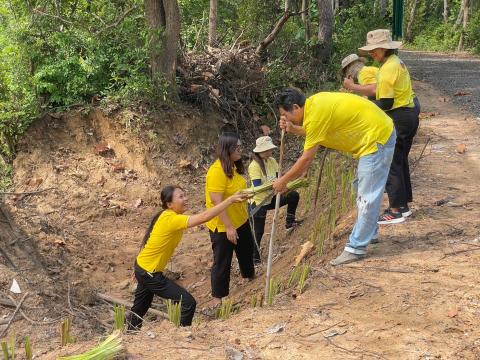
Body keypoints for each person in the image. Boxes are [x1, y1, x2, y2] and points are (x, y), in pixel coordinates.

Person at [272, 88, 396, 266]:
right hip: (374, 133)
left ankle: (356, 248)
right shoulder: (314, 105)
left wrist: (283, 181)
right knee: (361, 189)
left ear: (295, 107)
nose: (285, 118)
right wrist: (294, 129)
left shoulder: (315, 116)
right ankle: (371, 232)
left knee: (367, 196)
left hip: (377, 138)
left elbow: (306, 158)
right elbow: (316, 132)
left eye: (285, 114)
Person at [127, 185, 250, 329]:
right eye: (181, 196)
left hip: (143, 267)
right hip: (148, 272)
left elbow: (149, 241)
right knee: (188, 303)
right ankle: (182, 335)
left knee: (140, 308)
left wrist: (138, 268)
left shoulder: (168, 216)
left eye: (185, 195)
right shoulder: (171, 219)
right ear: (169, 204)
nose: (185, 199)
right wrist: (229, 200)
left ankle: (130, 335)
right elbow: (204, 217)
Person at [358, 29, 420, 224]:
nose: (372, 54)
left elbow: (385, 103)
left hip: (399, 116)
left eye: (374, 50)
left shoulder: (387, 70)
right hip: (408, 114)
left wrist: (363, 105)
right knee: (400, 160)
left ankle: (395, 210)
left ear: (384, 48)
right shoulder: (396, 62)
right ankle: (403, 205)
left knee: (391, 162)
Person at [205, 132, 255, 307]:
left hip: (241, 219)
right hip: (222, 225)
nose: (240, 150)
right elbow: (217, 202)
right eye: (237, 148)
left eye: (240, 146)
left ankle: (249, 278)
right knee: (222, 260)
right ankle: (217, 298)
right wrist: (228, 227)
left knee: (246, 250)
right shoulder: (216, 171)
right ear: (227, 149)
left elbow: (237, 191)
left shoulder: (233, 166)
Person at [248, 136, 302, 264]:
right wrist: (274, 185)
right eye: (265, 150)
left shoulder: (272, 161)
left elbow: (279, 177)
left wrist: (283, 185)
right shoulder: (254, 166)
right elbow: (257, 187)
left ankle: (290, 222)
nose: (269, 152)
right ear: (259, 151)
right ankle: (254, 258)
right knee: (258, 231)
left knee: (293, 195)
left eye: (269, 150)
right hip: (259, 202)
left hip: (272, 198)